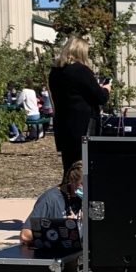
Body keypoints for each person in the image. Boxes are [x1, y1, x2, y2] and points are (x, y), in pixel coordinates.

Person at [48, 37, 110, 173]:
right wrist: (106, 89)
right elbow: (100, 98)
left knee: (69, 168)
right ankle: (80, 193)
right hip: (82, 127)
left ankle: (68, 191)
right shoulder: (81, 70)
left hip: (63, 127)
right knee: (83, 169)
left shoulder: (55, 72)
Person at [20, 161, 82, 246]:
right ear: (72, 181)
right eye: (82, 184)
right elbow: (25, 235)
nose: (87, 187)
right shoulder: (50, 199)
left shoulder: (89, 198)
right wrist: (63, 231)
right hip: (57, 253)